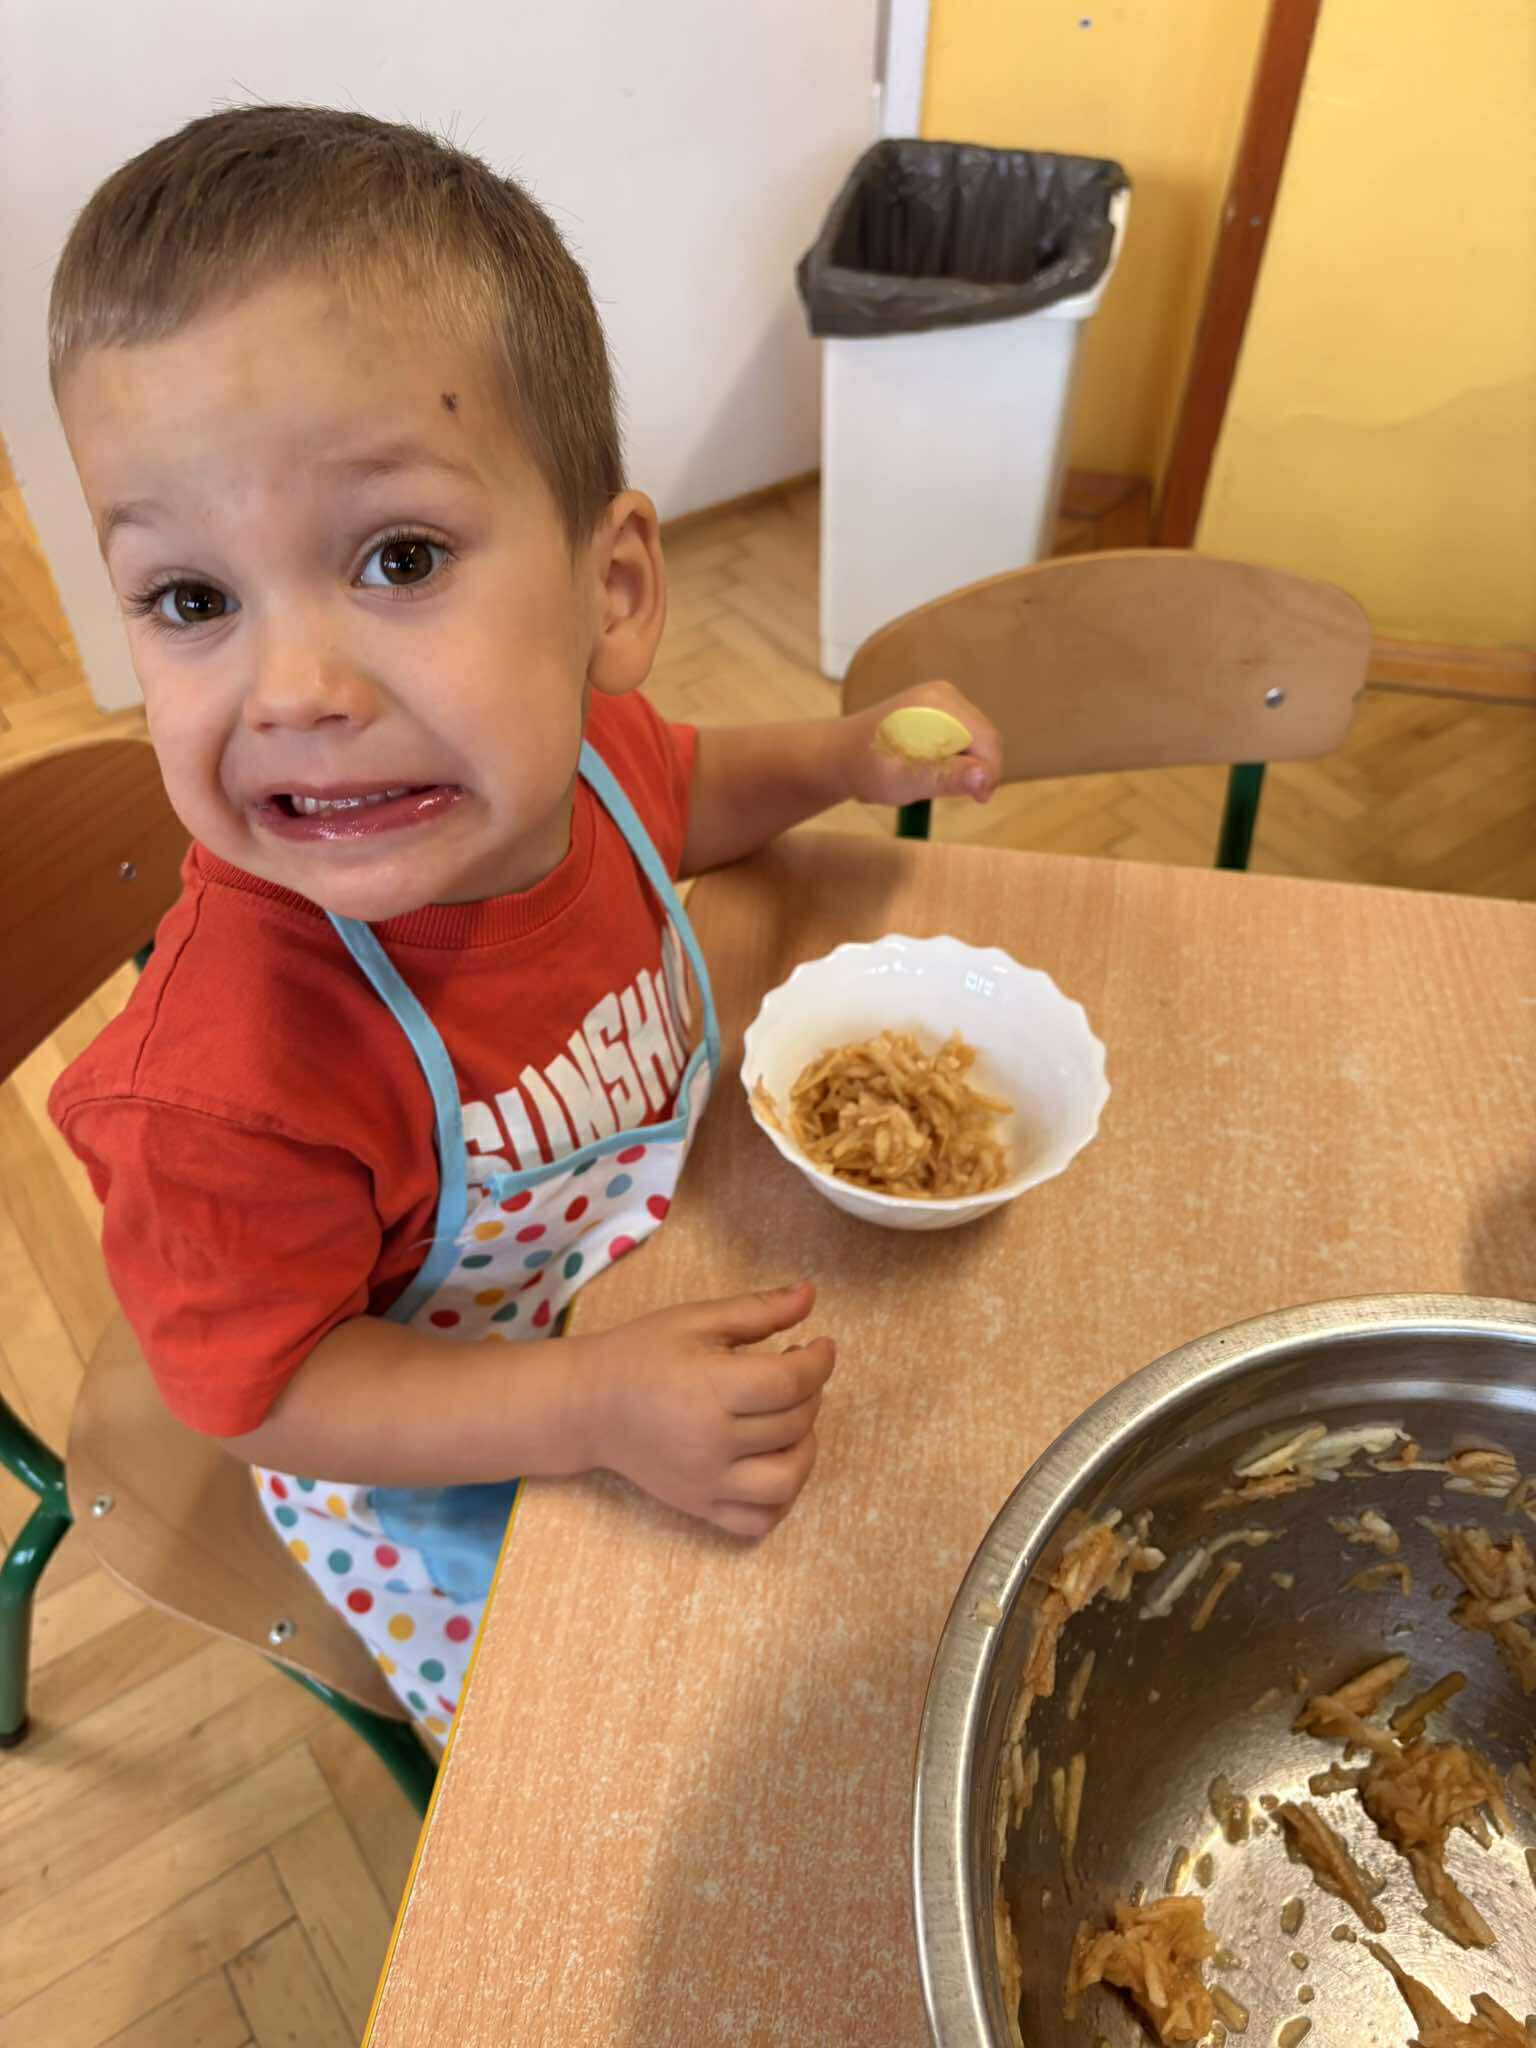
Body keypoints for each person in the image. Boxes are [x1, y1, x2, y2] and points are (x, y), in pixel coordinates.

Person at [47, 105, 1001, 1734]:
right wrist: (584, 1407)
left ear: (608, 593)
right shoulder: (218, 1092)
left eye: (398, 557)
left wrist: (844, 760)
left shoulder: (585, 759)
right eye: (192, 598)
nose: (294, 690)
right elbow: (269, 1393)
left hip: (646, 1286)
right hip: (448, 1476)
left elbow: (690, 788)